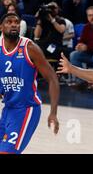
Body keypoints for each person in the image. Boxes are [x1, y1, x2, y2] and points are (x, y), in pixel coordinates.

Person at [0, 13, 60, 154]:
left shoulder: (29, 47)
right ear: (1, 27)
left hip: (27, 109)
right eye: (9, 22)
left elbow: (52, 78)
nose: (14, 24)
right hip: (8, 108)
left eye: (17, 22)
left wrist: (53, 113)